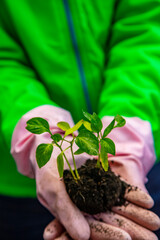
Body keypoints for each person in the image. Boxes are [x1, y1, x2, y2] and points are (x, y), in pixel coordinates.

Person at [0, 0, 160, 239]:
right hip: (18, 190)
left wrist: (127, 128)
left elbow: (145, 25)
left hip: (142, 157)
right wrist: (36, 132)